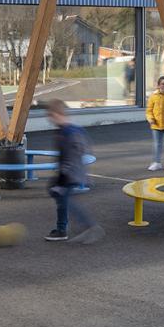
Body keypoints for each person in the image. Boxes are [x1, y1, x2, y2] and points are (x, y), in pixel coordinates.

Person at [43, 99, 100, 244]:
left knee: (66, 200)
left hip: (70, 174)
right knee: (61, 199)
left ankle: (89, 227)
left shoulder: (70, 133)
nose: (50, 119)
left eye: (50, 116)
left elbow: (72, 156)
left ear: (56, 114)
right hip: (67, 172)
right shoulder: (63, 131)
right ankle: (62, 229)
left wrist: (62, 179)